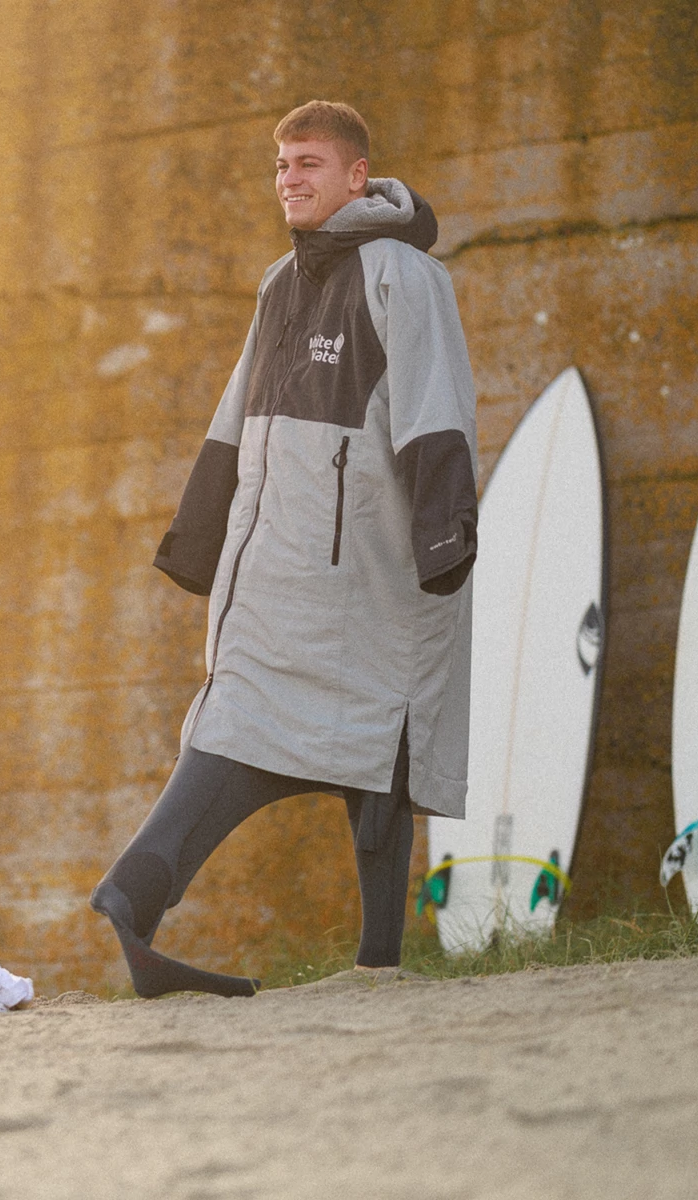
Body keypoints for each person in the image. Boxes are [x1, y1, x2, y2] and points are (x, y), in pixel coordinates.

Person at [91, 101, 478, 997]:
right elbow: (237, 422)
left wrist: (444, 536)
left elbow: (434, 409)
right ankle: (132, 895)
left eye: (308, 163)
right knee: (239, 725)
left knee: (382, 746)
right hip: (282, 574)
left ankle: (379, 959)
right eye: (279, 166)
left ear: (357, 176)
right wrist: (197, 542)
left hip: (378, 570)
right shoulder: (280, 284)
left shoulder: (401, 276)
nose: (290, 179)